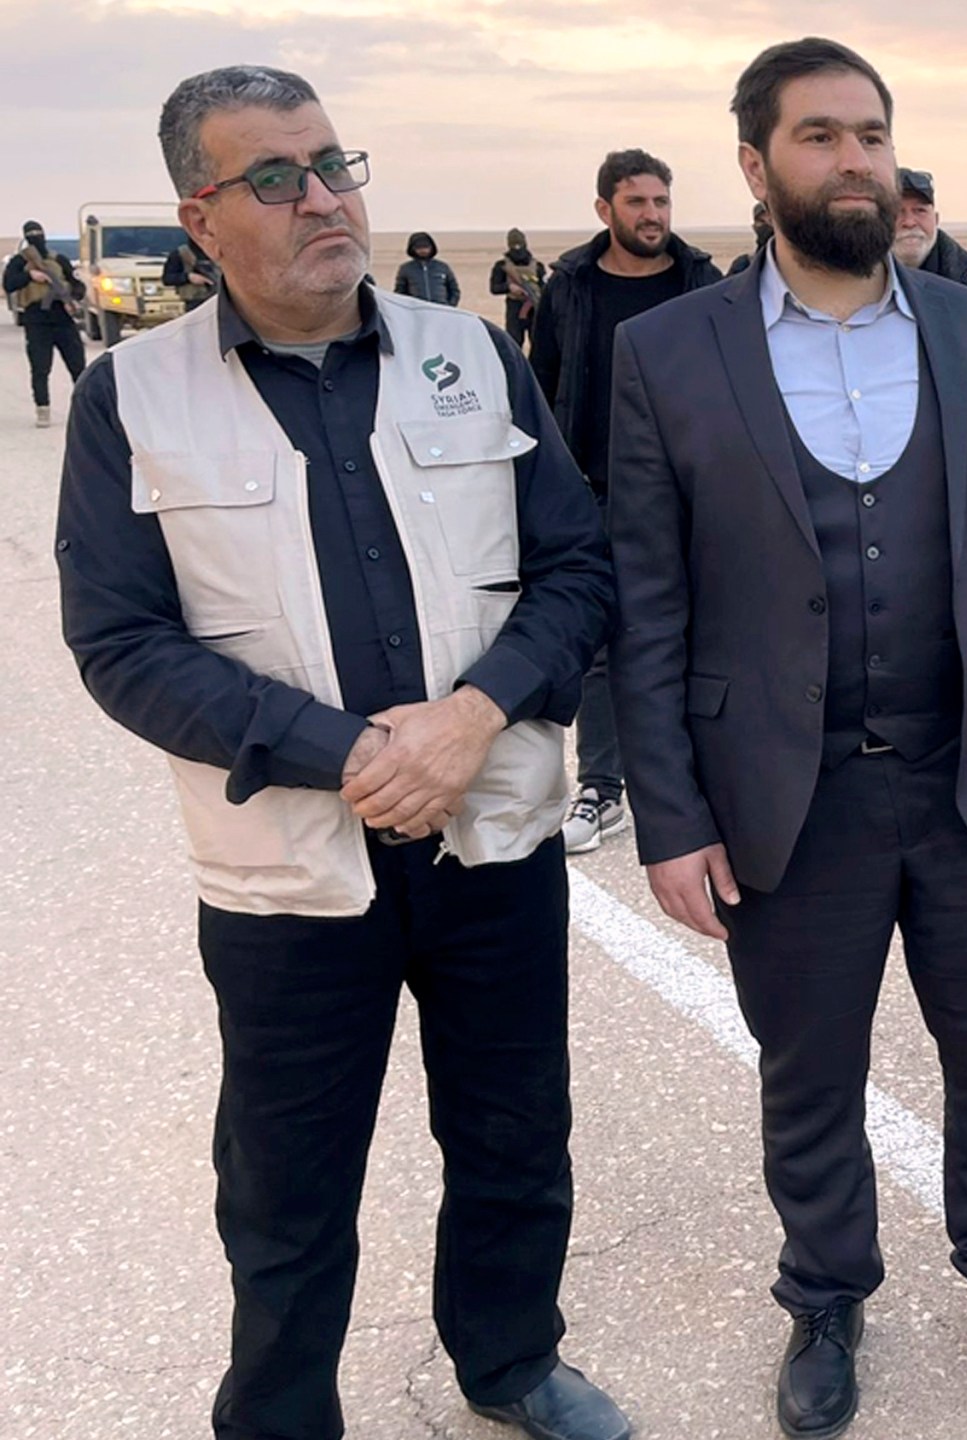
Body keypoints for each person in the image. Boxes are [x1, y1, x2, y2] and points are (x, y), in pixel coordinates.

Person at [53, 65, 626, 1440]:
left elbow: (578, 569)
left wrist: (472, 718)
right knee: (287, 1181)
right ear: (203, 220)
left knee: (511, 1137)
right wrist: (352, 754)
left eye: (331, 163)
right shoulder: (134, 397)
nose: (323, 198)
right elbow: (123, 644)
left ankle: (508, 1361)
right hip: (291, 878)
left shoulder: (470, 353)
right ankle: (280, 1413)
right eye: (275, 178)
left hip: (489, 841)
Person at [609, 37, 967, 1434]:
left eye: (871, 135)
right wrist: (674, 817)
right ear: (756, 167)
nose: (855, 162)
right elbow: (648, 605)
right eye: (820, 137)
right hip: (783, 797)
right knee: (808, 1072)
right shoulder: (667, 354)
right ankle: (825, 1300)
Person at [531, 147, 723, 854]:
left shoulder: (702, 281)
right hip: (599, 492)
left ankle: (704, 778)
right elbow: (541, 383)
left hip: (695, 492)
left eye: (662, 202)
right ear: (604, 208)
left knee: (706, 635)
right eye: (638, 202)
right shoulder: (572, 286)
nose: (653, 216)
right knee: (604, 647)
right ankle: (602, 791)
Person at [7, 219, 86, 426]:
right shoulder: (20, 262)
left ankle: (86, 408)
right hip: (36, 320)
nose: (36, 237)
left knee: (78, 366)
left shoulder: (59, 260)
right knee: (41, 367)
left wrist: (71, 298)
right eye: (32, 234)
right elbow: (8, 284)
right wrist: (29, 275)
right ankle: (43, 409)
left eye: (38, 233)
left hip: (62, 318)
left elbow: (78, 285)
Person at [892, 168, 967, 300]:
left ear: (936, 219)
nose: (909, 222)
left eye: (920, 211)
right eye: (897, 212)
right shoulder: (865, 280)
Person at [489, 227, 546, 351]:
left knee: (538, 345)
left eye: (519, 245)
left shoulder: (537, 266)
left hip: (534, 308)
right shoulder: (502, 266)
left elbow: (545, 288)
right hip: (514, 307)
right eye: (514, 245)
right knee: (514, 344)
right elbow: (494, 288)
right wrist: (509, 287)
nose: (517, 249)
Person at [393, 229, 461, 305]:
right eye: (419, 248)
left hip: (441, 309)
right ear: (412, 249)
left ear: (431, 248)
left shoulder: (443, 267)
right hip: (417, 310)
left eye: (425, 247)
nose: (423, 250)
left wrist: (450, 306)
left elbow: (454, 291)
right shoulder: (406, 269)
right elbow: (400, 294)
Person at [163, 235, 222, 311]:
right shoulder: (181, 254)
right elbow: (167, 278)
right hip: (194, 300)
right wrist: (188, 277)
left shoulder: (219, 252)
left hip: (218, 298)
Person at [728, 201, 772, 276]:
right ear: (754, 226)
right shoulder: (743, 265)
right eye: (761, 221)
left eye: (770, 221)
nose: (767, 225)